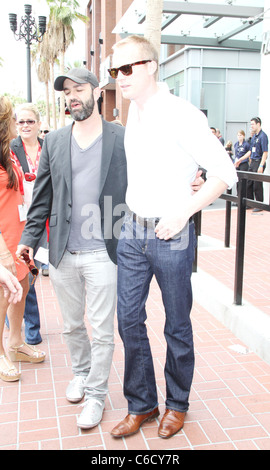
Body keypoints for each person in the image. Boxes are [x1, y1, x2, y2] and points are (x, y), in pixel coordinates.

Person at [108, 35, 237, 439]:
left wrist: (183, 211)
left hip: (173, 232)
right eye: (115, 70)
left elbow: (224, 173)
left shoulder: (182, 114)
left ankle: (177, 403)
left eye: (126, 69)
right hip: (132, 228)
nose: (119, 77)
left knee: (176, 323)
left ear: (150, 66)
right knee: (128, 319)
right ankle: (142, 403)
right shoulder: (134, 114)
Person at [17, 68, 127, 430]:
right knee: (70, 326)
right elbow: (42, 197)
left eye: (79, 89)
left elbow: (143, 181)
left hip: (103, 251)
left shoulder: (121, 138)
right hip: (62, 252)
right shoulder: (56, 141)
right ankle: (81, 373)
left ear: (96, 92)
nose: (72, 96)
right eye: (67, 92)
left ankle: (96, 395)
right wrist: (29, 240)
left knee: (102, 329)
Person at [0, 96, 45, 383]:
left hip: (19, 235)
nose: (18, 124)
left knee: (22, 289)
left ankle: (16, 343)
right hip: (3, 239)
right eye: (12, 119)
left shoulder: (8, 152)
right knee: (4, 297)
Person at [8, 103, 46, 344]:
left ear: (39, 124)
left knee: (33, 272)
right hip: (19, 219)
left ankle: (21, 323)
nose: (25, 126)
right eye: (20, 122)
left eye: (30, 121)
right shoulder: (10, 148)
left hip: (45, 220)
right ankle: (28, 328)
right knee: (26, 273)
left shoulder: (49, 147)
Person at [245, 117, 268, 212]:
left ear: (258, 124)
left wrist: (261, 165)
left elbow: (265, 152)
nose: (251, 126)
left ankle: (259, 205)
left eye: (253, 124)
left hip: (259, 161)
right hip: (253, 162)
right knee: (249, 183)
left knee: (257, 185)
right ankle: (250, 203)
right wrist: (240, 160)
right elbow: (250, 151)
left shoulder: (263, 136)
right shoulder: (254, 137)